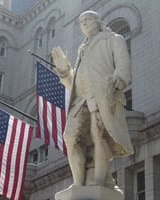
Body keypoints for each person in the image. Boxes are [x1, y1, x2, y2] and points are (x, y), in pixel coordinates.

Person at [51, 10, 134, 191]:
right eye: (81, 21)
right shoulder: (82, 48)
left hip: (103, 95)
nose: (85, 23)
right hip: (80, 100)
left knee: (99, 135)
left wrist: (118, 80)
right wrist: (64, 70)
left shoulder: (113, 39)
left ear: (98, 21)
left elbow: (123, 65)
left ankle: (98, 182)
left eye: (88, 19)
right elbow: (72, 83)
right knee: (70, 137)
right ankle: (79, 183)